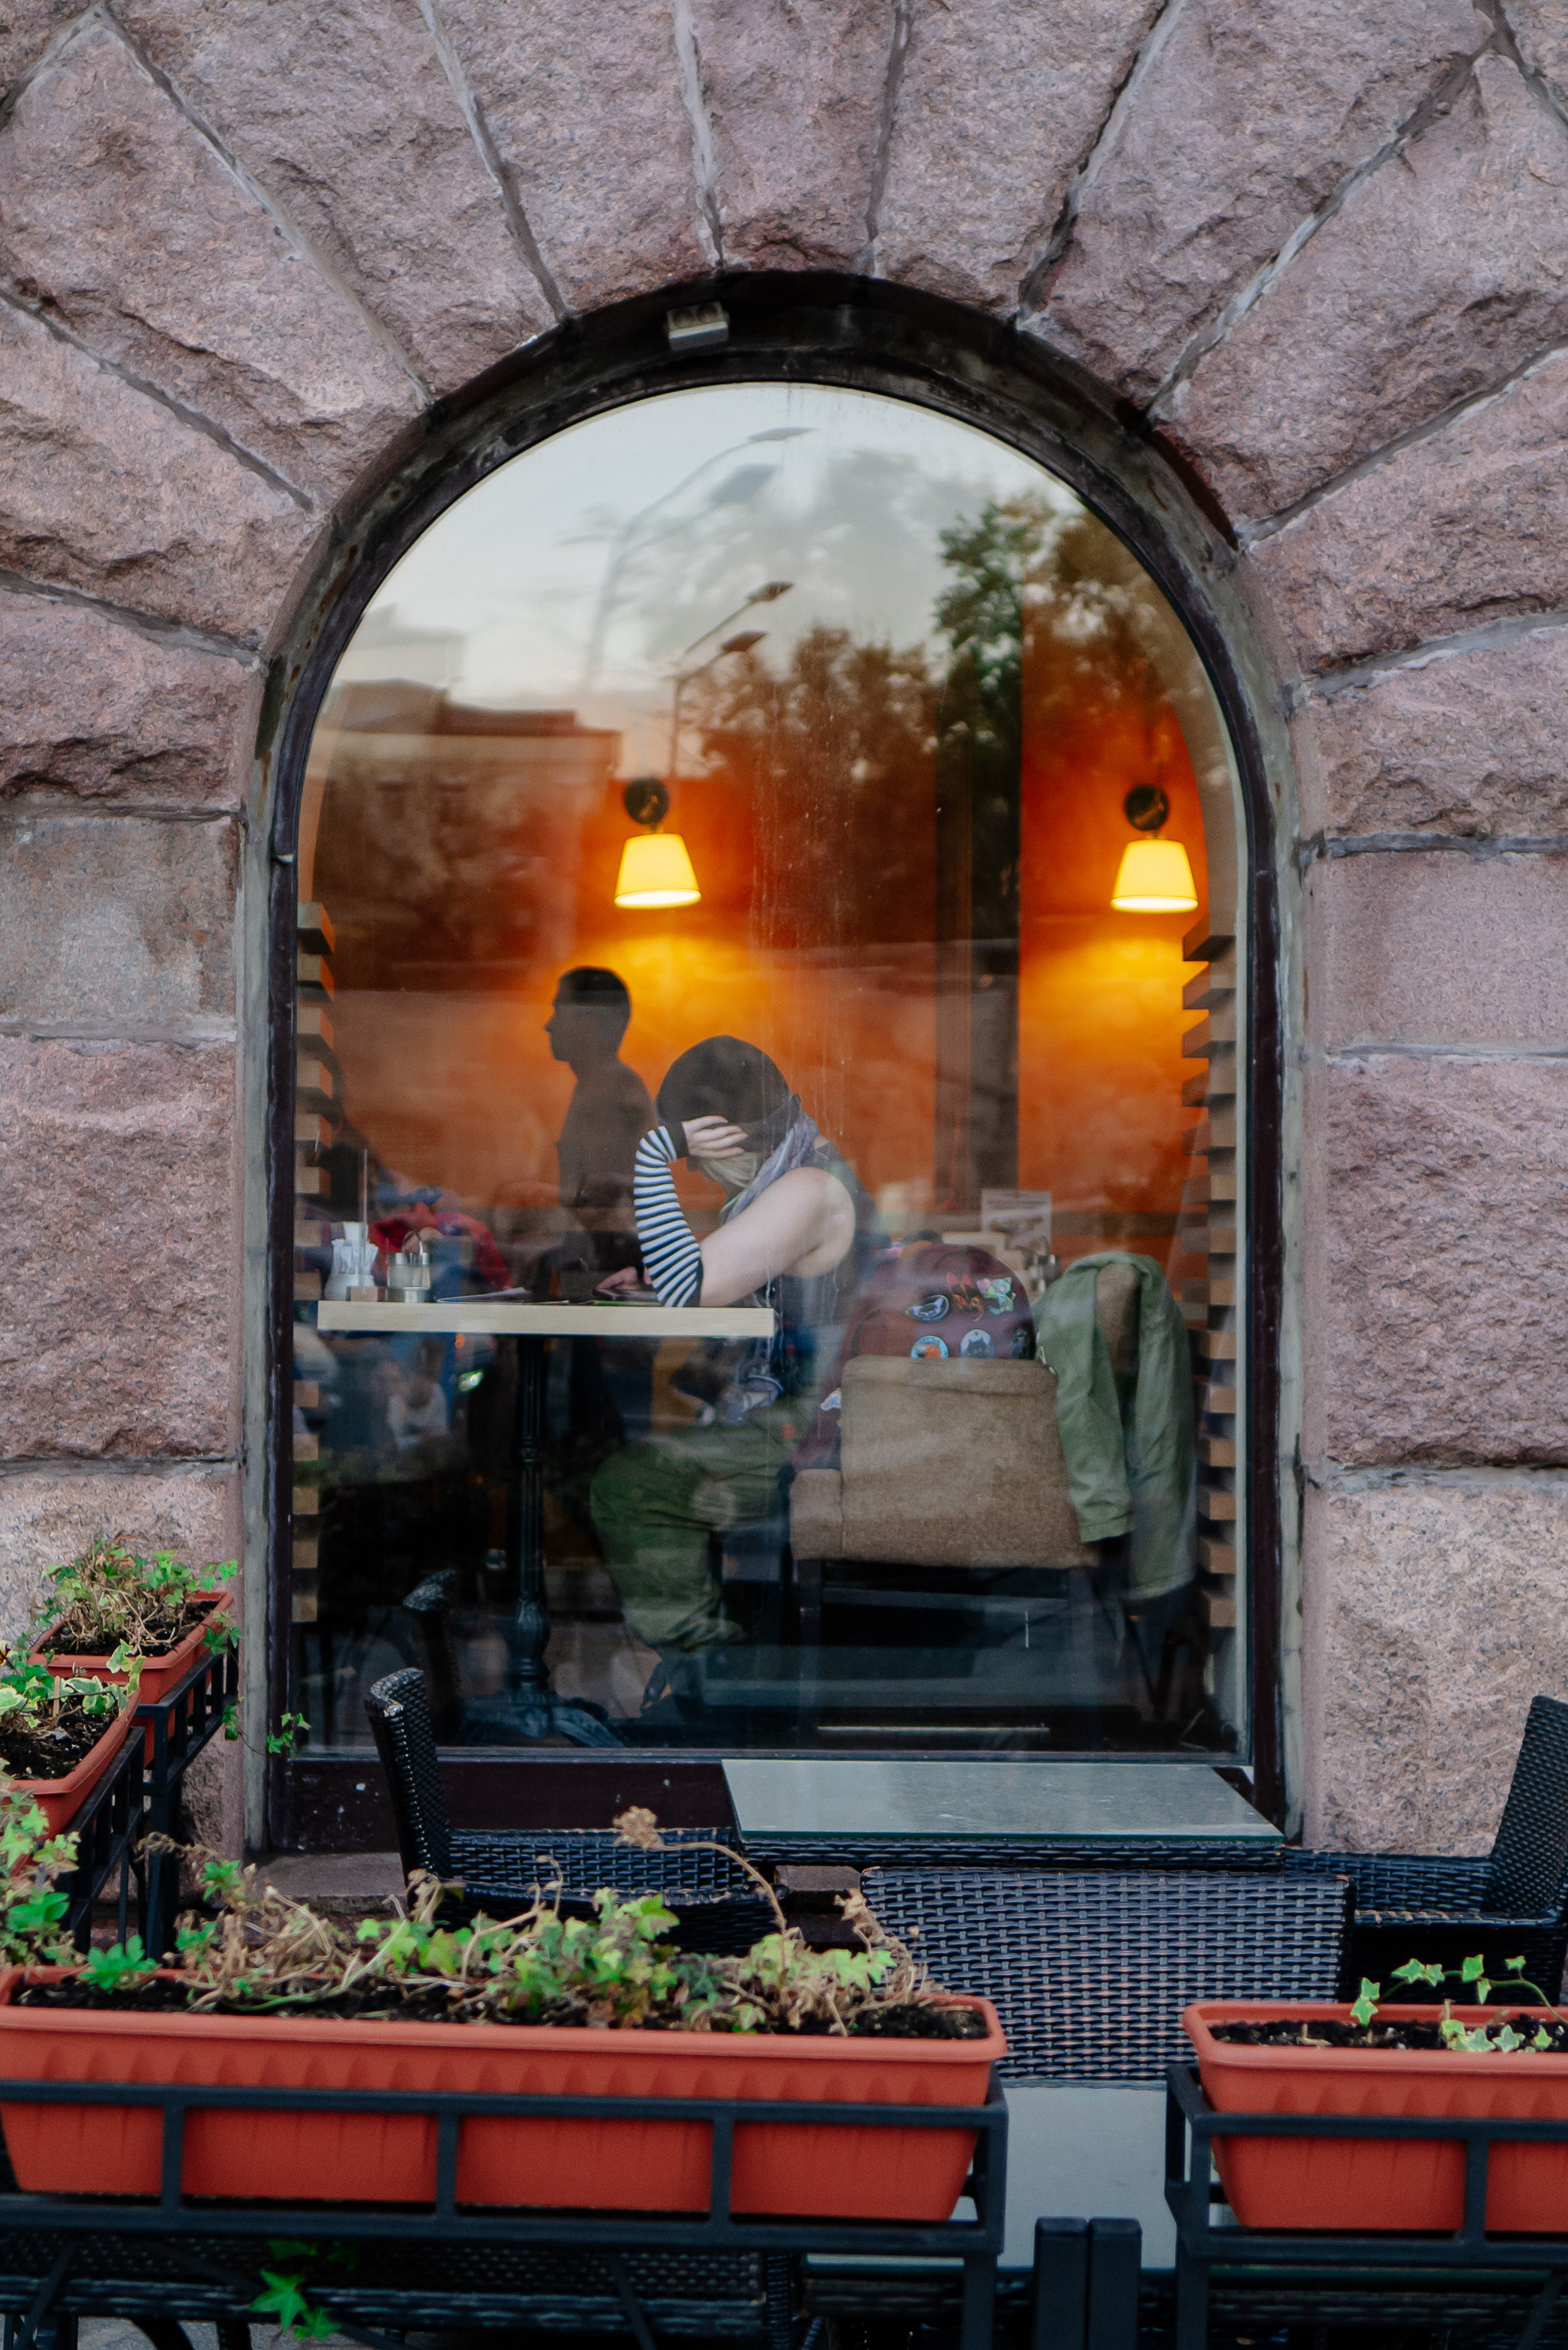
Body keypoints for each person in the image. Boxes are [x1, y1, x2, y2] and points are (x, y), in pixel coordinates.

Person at [590, 1036, 882, 1669]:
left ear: (723, 1136)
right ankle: (719, 1657)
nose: (695, 1172)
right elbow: (697, 1278)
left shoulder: (808, 1189)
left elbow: (688, 1287)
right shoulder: (808, 1173)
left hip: (816, 1430)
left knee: (632, 1486)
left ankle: (708, 1668)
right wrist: (657, 1280)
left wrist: (656, 1153)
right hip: (814, 1418)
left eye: (696, 1154)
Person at [546, 968, 653, 1245]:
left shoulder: (613, 1093)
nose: (549, 1026)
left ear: (589, 1022)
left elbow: (594, 1204)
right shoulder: (596, 1086)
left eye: (559, 1011)